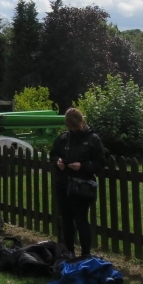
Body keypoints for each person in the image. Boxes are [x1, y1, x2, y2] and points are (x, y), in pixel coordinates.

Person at [50, 107, 105, 258]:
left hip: (82, 186)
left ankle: (86, 254)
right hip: (63, 184)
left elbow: (100, 163)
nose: (72, 129)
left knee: (81, 220)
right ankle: (69, 252)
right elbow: (53, 154)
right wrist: (58, 161)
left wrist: (82, 166)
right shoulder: (63, 138)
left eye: (74, 126)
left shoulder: (93, 139)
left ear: (81, 122)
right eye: (69, 127)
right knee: (67, 220)